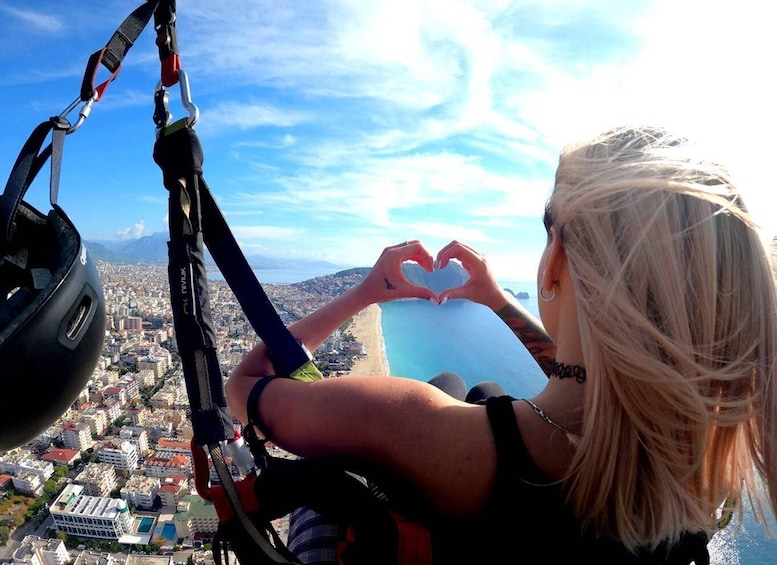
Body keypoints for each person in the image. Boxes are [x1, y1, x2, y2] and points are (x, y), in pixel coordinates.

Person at [225, 125, 777, 563]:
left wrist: (367, 293)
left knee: (449, 386)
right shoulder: (700, 476)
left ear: (556, 260)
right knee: (485, 389)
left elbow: (244, 386)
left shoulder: (419, 426)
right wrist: (497, 300)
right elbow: (589, 375)